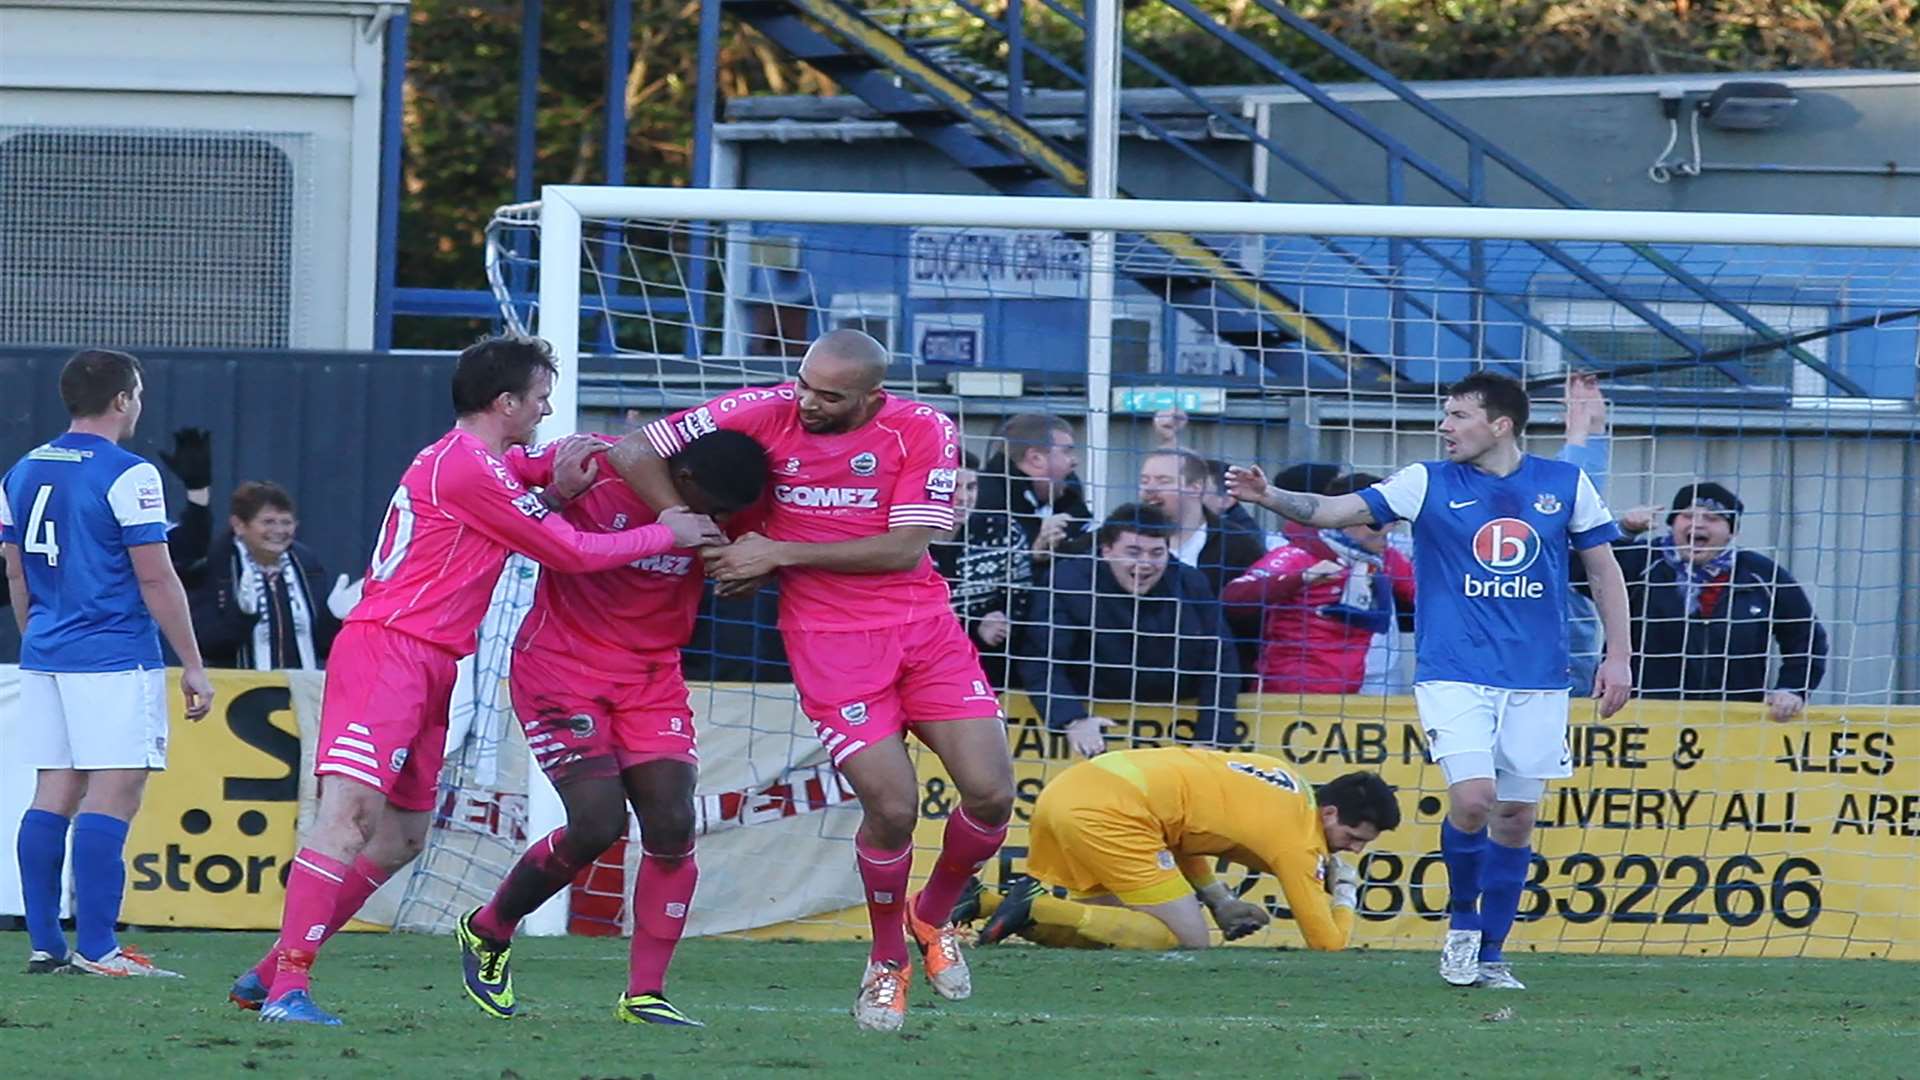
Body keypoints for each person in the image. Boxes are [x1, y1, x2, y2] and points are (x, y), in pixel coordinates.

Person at [239, 335, 725, 1026]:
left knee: (404, 838)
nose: (547, 409)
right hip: (388, 651)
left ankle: (264, 975)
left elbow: (526, 477)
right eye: (539, 398)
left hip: (436, 661)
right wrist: (667, 532)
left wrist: (555, 478)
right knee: (345, 820)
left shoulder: (477, 462)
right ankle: (290, 989)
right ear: (505, 402)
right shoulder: (465, 466)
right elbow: (572, 550)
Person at [609, 329, 1014, 1033]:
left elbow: (905, 547)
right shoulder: (763, 409)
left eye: (829, 396)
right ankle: (887, 961)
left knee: (992, 792)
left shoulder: (921, 429)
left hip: (924, 628)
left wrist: (775, 551)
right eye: (803, 384)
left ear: (870, 398)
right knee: (893, 808)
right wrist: (704, 539)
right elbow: (635, 447)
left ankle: (932, 912)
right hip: (829, 645)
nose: (808, 402)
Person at [1228, 370, 1634, 991]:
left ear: (1499, 424)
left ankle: (1492, 953)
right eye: (1444, 415)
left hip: (1539, 677)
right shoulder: (1425, 482)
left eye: (1458, 416)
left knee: (1518, 817)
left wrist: (1617, 657)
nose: (1444, 427)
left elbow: (1604, 571)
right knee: (1474, 798)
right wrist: (1271, 497)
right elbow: (1338, 509)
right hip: (1455, 672)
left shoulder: (1564, 484)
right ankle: (1463, 929)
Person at [454, 428, 770, 1027]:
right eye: (717, 508)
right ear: (683, 481)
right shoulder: (592, 465)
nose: (723, 519)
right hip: (560, 668)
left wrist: (746, 568)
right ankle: (488, 929)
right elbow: (498, 486)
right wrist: (548, 493)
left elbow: (744, 563)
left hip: (651, 676)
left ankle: (645, 994)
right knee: (597, 823)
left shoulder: (727, 508)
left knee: (674, 822)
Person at [1, 348, 216, 977]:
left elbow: (15, 569)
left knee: (55, 788)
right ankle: (99, 948)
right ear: (123, 400)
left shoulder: (23, 469)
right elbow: (157, 578)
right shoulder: (130, 473)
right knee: (116, 790)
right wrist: (194, 666)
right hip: (114, 655)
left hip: (45, 652)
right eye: (138, 394)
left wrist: (37, 636)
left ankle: (46, 943)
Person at [963, 751, 1398, 951]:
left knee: (1106, 931)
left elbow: (1185, 831)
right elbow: (1326, 942)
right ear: (1330, 813)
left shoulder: (1282, 774)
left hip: (1072, 788)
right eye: (1354, 837)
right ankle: (1037, 907)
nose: (1354, 851)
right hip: (1115, 810)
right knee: (1186, 939)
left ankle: (986, 902)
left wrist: (1220, 900)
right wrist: (1344, 894)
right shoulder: (1300, 840)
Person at [1016, 505, 1240, 753]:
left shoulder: (1190, 583)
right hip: (1094, 713)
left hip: (1175, 719)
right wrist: (1073, 719)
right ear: (1106, 550)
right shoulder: (1068, 582)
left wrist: (1211, 737)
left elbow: (1221, 660)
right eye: (1133, 552)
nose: (1145, 564)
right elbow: (1040, 658)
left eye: (1157, 553)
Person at [1609, 482, 1826, 719]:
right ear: (1672, 524)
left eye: (1712, 518)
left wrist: (1792, 689)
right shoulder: (1641, 563)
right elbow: (1579, 574)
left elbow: (1806, 636)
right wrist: (1624, 531)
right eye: (1687, 515)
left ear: (1732, 531)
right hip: (1639, 718)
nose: (1698, 523)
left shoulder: (1761, 575)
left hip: (1733, 725)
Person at [1223, 473, 1416, 695]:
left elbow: (1425, 598)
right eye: (1378, 521)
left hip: (1366, 692)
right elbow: (1233, 598)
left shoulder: (1387, 557)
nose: (1389, 529)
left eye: (1394, 519)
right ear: (1345, 518)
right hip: (1294, 695)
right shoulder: (1298, 555)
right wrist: (1301, 578)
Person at [189, 481, 349, 670]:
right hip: (239, 693)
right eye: (268, 522)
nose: (279, 531)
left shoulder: (305, 564)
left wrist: (336, 618)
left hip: (301, 689)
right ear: (239, 525)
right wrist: (242, 616)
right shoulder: (217, 564)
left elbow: (323, 646)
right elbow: (205, 645)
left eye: (286, 522)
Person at [930, 451, 1033, 689]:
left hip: (985, 669)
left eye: (971, 488)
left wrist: (1000, 622)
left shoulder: (1003, 532)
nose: (963, 498)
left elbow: (1021, 603)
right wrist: (973, 624)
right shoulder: (900, 539)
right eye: (953, 487)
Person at [1136, 448, 1266, 596]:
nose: (1149, 489)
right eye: (1144, 481)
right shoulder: (1121, 537)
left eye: (1163, 481)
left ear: (1195, 487)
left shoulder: (1239, 545)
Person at [974, 412, 1091, 573]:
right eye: (1067, 451)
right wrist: (1032, 554)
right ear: (1036, 458)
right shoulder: (984, 500)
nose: (1075, 461)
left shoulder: (1068, 494)